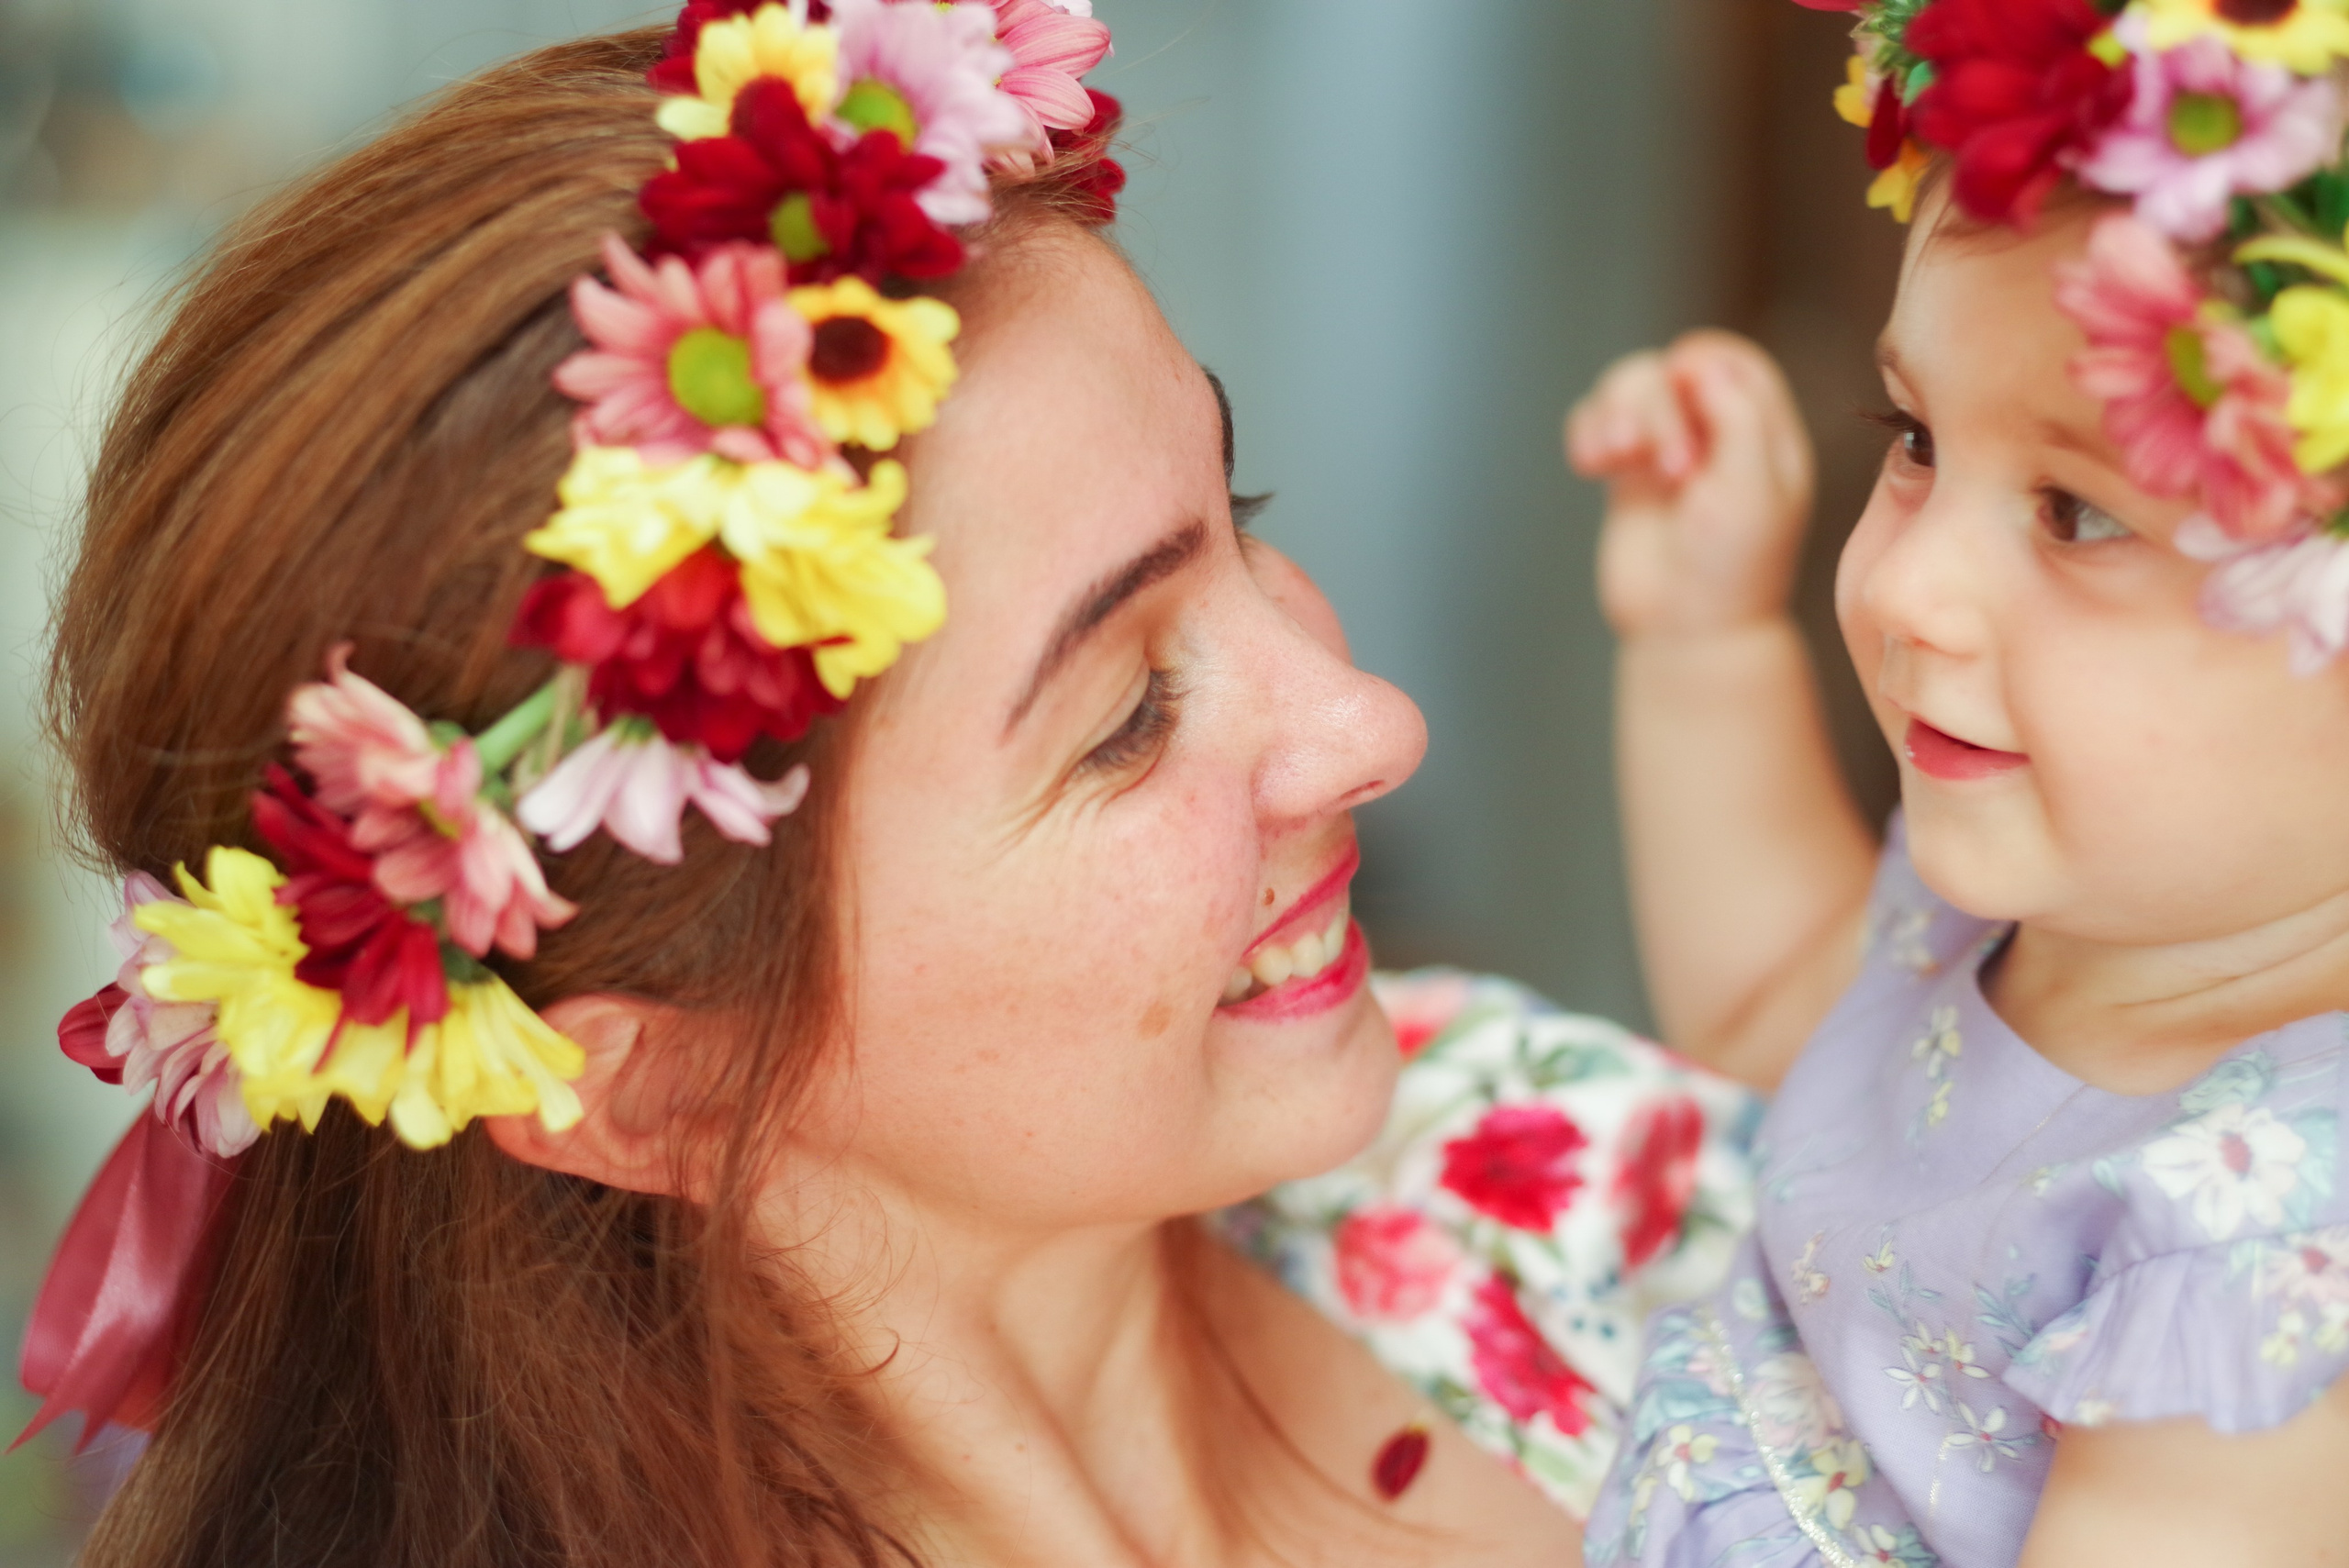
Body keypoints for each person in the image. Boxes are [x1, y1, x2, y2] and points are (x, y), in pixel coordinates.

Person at [21, 6, 1755, 1564]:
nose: (1373, 722)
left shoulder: (1542, 1168)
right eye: (1128, 714)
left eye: (1249, 515)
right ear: (650, 1090)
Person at [1567, 0, 2349, 1562]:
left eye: (2077, 513)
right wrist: (1705, 637)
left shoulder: (2263, 1260)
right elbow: (1778, 1008)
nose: (1912, 585)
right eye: (1915, 436)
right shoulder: (2052, 896)